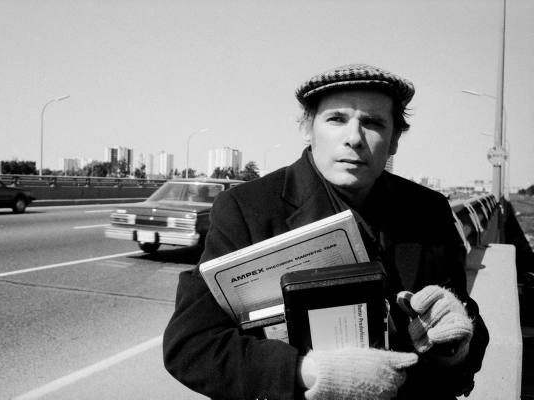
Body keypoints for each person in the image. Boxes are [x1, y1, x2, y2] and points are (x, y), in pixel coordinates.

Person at [163, 64, 489, 400]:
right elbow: (191, 344)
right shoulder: (246, 209)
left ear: (394, 140)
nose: (354, 138)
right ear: (308, 128)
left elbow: (468, 332)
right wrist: (308, 372)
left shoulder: (428, 210)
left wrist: (455, 347)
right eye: (336, 119)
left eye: (373, 123)